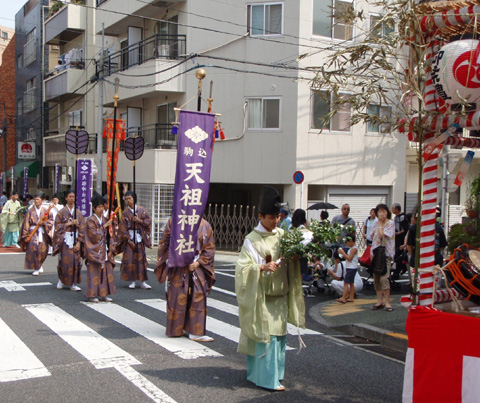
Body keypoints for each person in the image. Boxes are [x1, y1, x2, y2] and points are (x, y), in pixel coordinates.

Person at [235, 185, 305, 392]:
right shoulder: (251, 240)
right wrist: (261, 267)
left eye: (278, 216)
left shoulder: (283, 234)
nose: (276, 221)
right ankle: (266, 378)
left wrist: (294, 257)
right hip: (262, 296)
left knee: (279, 336)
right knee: (266, 336)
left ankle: (275, 375)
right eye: (272, 217)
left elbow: (291, 261)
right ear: (260, 216)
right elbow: (242, 269)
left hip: (280, 294)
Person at [155, 217, 216, 341]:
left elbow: (209, 249)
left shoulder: (205, 225)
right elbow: (165, 242)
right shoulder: (174, 221)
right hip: (179, 265)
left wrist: (198, 262)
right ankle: (176, 329)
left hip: (197, 265)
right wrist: (176, 257)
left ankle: (195, 332)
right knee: (177, 296)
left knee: (198, 295)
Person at [82, 192, 116, 303]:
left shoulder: (105, 219)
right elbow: (93, 235)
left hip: (104, 248)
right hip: (94, 249)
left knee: (105, 271)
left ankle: (104, 294)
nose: (101, 209)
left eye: (102, 206)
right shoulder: (91, 220)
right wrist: (104, 226)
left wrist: (111, 248)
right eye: (99, 207)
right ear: (94, 208)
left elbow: (111, 235)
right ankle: (93, 294)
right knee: (94, 272)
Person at [115, 191, 152, 289]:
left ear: (134, 199)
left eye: (130, 198)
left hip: (139, 235)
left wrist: (139, 220)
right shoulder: (125, 212)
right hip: (130, 236)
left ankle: (143, 281)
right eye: (126, 199)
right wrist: (128, 240)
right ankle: (132, 281)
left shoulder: (142, 210)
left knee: (141, 259)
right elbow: (122, 228)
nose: (128, 200)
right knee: (130, 259)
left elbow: (148, 221)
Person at [53, 190, 83, 291]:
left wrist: (79, 242)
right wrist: (69, 224)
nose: (71, 198)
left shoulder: (78, 213)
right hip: (65, 238)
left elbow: (82, 229)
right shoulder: (61, 212)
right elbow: (57, 227)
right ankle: (61, 280)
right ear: (66, 198)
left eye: (73, 196)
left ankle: (73, 283)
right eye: (69, 196)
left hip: (76, 237)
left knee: (76, 261)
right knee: (65, 261)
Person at [19, 192, 54, 276]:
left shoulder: (46, 210)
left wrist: (44, 223)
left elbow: (51, 220)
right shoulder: (30, 211)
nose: (36, 201)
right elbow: (26, 223)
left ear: (42, 200)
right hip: (33, 232)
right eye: (35, 199)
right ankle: (36, 267)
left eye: (38, 199)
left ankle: (39, 264)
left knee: (44, 249)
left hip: (43, 231)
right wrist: (25, 235)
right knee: (34, 248)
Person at [370, 204, 395, 311]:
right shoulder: (375, 223)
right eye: (380, 211)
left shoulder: (391, 223)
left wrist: (380, 224)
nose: (382, 214)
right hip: (376, 253)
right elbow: (372, 236)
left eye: (384, 211)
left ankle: (388, 302)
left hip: (386, 253)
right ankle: (379, 301)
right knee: (376, 278)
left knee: (384, 278)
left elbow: (381, 235)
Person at [336, 233, 359, 303]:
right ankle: (351, 297)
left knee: (346, 283)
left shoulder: (353, 249)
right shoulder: (351, 249)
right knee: (351, 283)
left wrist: (343, 253)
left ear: (351, 241)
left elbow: (349, 258)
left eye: (347, 241)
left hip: (351, 268)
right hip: (351, 267)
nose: (346, 243)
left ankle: (343, 297)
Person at [392, 203, 409, 278]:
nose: (392, 210)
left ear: (397, 209)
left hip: (401, 238)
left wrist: (398, 233)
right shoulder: (396, 217)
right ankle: (402, 268)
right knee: (398, 255)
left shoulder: (402, 217)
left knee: (398, 255)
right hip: (397, 238)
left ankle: (397, 272)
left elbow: (405, 229)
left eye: (393, 208)